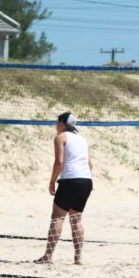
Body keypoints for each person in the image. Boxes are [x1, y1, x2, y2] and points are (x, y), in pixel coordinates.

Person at [35, 112, 93, 266]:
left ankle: (48, 256)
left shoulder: (61, 137)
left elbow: (59, 162)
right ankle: (78, 258)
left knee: (58, 217)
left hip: (70, 180)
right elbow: (90, 164)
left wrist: (52, 181)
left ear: (61, 123)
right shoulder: (82, 139)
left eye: (57, 122)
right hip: (86, 180)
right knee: (76, 220)